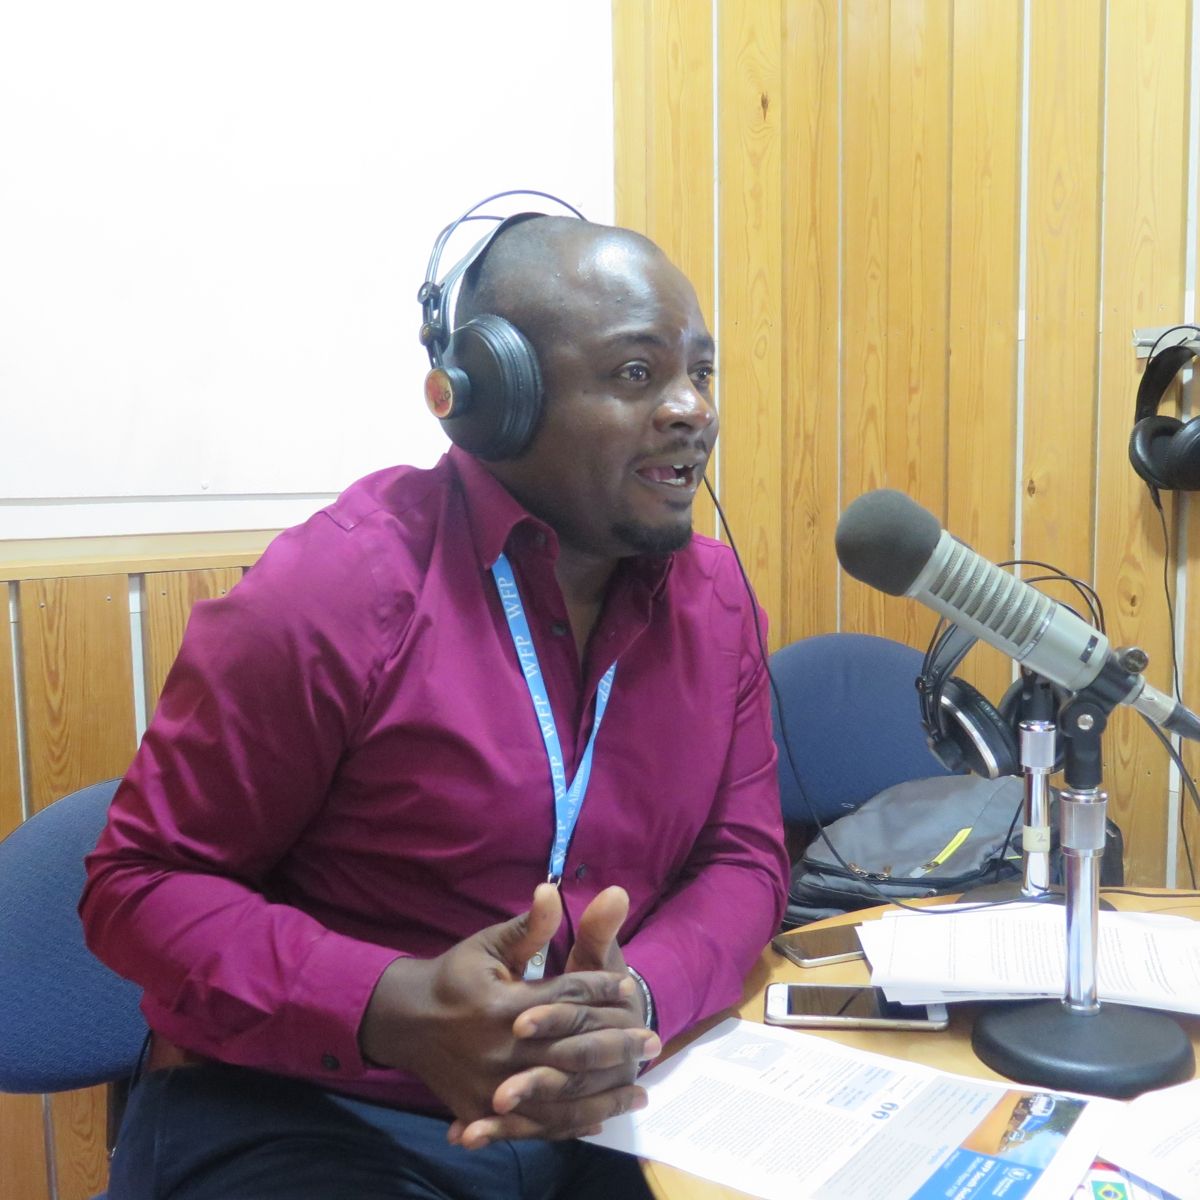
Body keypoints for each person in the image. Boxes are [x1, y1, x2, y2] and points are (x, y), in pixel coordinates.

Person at [81, 205, 789, 1199]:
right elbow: (139, 885)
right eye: (637, 373)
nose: (691, 409)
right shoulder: (336, 590)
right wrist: (391, 1005)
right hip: (318, 1114)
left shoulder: (717, 604)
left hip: (605, 1106)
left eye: (700, 373)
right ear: (498, 399)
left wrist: (637, 998)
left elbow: (743, 856)